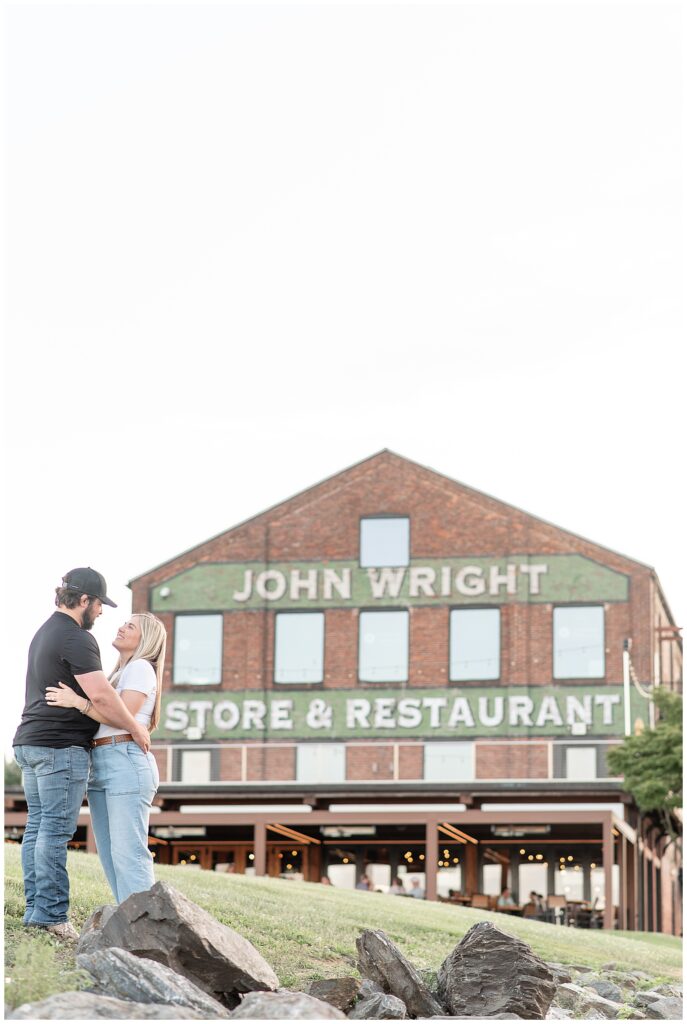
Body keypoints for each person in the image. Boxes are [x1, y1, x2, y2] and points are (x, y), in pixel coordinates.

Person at [13, 568, 150, 941]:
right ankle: (53, 917)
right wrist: (135, 727)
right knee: (54, 832)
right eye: (100, 604)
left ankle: (35, 911)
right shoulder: (76, 637)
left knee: (38, 828)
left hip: (29, 742)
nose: (102, 613)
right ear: (85, 600)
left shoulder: (45, 632)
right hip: (60, 746)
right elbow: (103, 696)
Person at [46, 611, 166, 905]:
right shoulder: (119, 672)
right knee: (111, 853)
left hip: (125, 759)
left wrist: (78, 703)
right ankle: (128, 919)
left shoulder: (140, 667)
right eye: (124, 623)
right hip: (102, 761)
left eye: (131, 626)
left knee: (129, 852)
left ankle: (145, 928)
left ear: (146, 637)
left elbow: (118, 714)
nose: (122, 627)